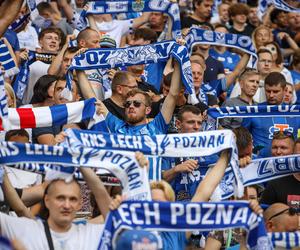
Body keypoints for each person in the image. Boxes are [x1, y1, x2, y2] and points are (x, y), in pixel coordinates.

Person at [77, 60, 182, 180]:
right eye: (127, 104)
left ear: (148, 110)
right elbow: (93, 100)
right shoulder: (117, 126)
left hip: (154, 190)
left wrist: (178, 61)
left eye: (137, 104)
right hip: (126, 191)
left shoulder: (157, 126)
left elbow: (173, 94)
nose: (131, 106)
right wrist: (79, 67)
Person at [0, 167, 111, 249]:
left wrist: (82, 164)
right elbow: (21, 209)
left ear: (80, 204)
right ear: (47, 200)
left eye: (73, 199)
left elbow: (113, 220)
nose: (67, 205)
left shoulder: (88, 233)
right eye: (60, 198)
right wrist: (3, 174)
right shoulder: (28, 229)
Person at [242, 72, 300, 157]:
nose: (271, 95)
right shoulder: (254, 111)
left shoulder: (295, 112)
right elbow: (242, 138)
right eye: (268, 91)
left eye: (276, 91)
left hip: (289, 166)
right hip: (259, 165)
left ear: (285, 90)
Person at [260, 131, 300, 210]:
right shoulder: (272, 181)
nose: (278, 152)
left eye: (283, 148)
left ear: (292, 151)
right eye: (274, 148)